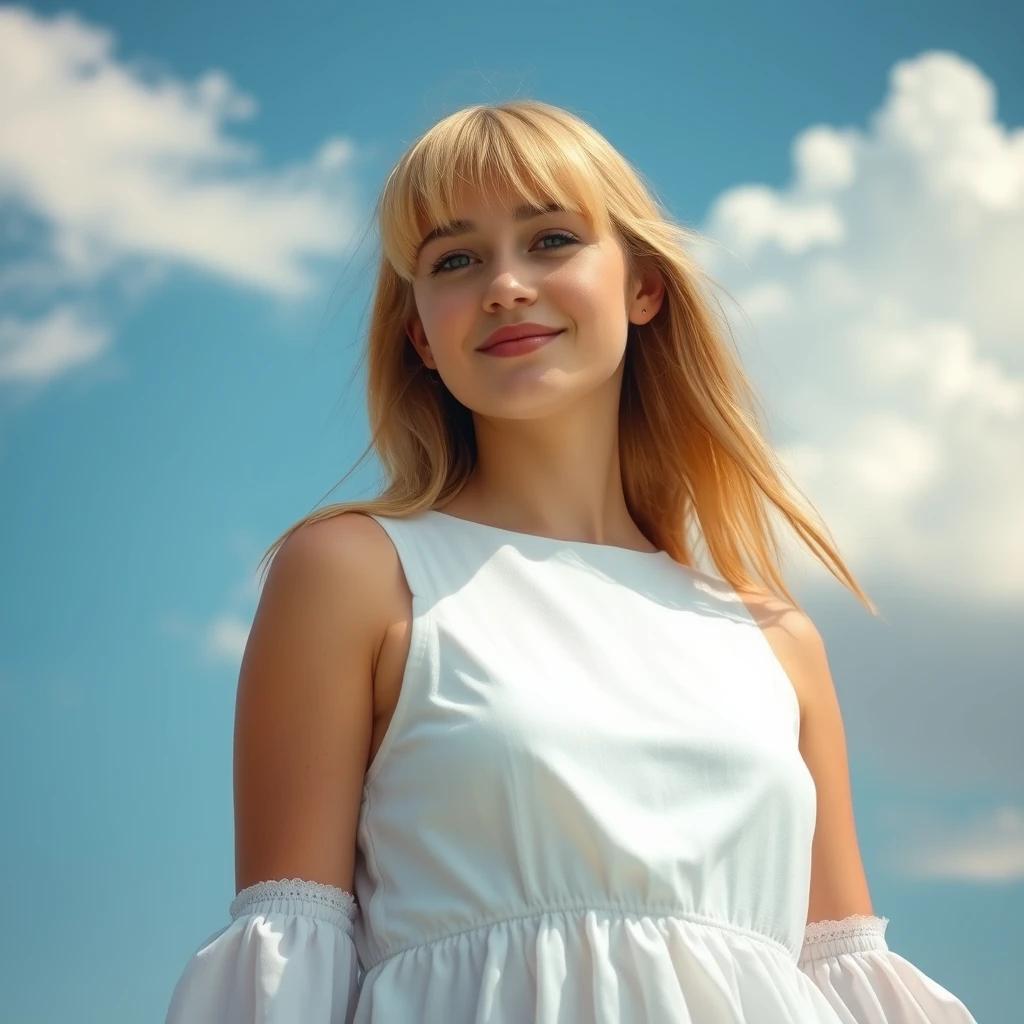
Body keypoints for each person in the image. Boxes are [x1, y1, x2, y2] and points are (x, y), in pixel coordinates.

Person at [163, 100, 978, 1023]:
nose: (506, 285)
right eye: (456, 260)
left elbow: (838, 974)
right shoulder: (353, 573)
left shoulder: (775, 637)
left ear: (644, 287)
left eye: (550, 239)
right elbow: (289, 957)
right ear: (421, 336)